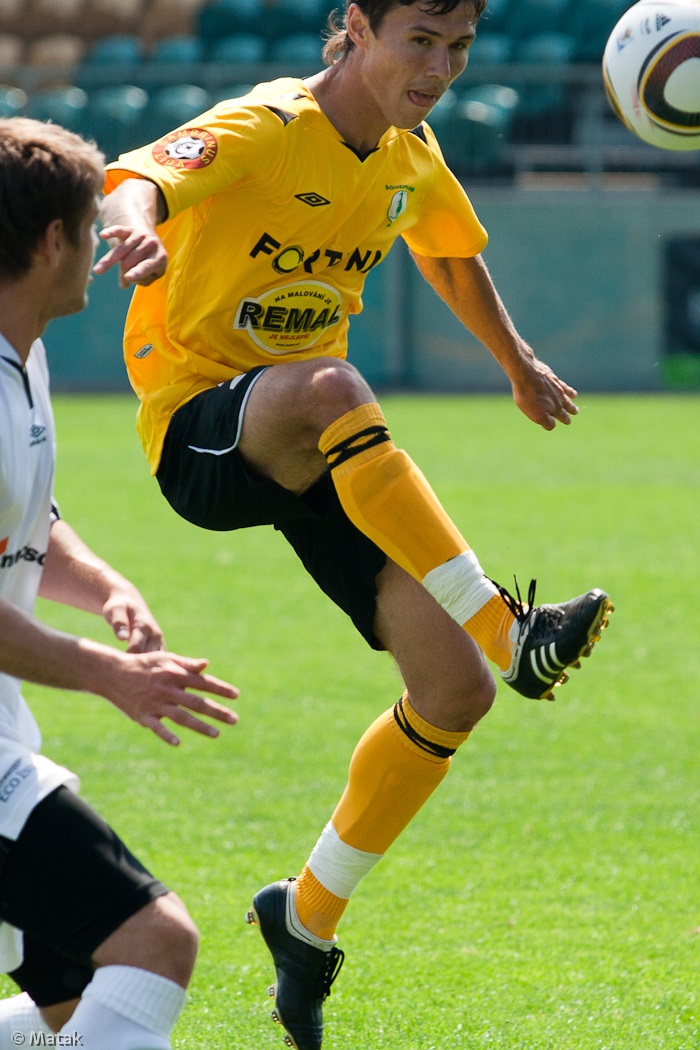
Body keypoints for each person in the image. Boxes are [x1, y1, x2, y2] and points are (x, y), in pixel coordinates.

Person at [96, 0, 614, 1045]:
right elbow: (135, 173)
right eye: (418, 40)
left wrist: (516, 367)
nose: (440, 68)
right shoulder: (267, 125)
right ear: (356, 28)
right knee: (333, 384)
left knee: (452, 696)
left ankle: (305, 919)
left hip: (314, 449)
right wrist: (136, 231)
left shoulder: (407, 156)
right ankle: (511, 630)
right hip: (201, 427)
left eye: (458, 48)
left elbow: (452, 255)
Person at [0, 117, 240, 1050]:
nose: (106, 239)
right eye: (94, 222)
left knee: (72, 1008)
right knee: (154, 941)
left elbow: (27, 518)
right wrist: (112, 674)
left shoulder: (23, 351)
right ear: (53, 240)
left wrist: (104, 588)